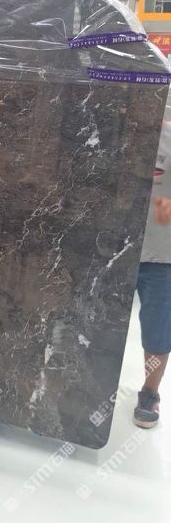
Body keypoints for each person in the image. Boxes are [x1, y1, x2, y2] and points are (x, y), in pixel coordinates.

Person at [134, 116, 171, 428]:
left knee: (157, 331)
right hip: (110, 248)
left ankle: (150, 393)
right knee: (91, 321)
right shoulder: (122, 124)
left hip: (163, 256)